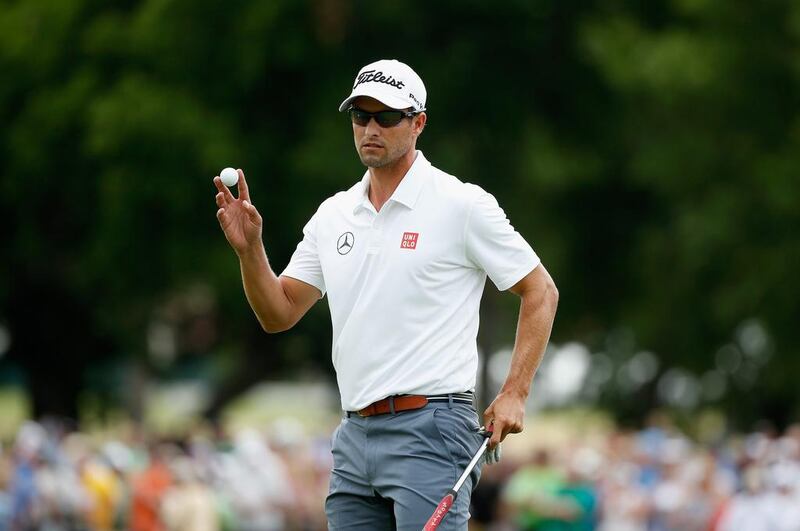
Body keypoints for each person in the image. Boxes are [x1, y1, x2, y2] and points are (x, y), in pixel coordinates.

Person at [213, 59, 559, 529]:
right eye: (361, 116)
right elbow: (280, 312)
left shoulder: (461, 204)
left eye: (386, 116)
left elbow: (540, 290)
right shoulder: (333, 214)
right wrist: (251, 252)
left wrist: (515, 391)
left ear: (418, 123)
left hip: (433, 429)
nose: (370, 128)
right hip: (354, 435)